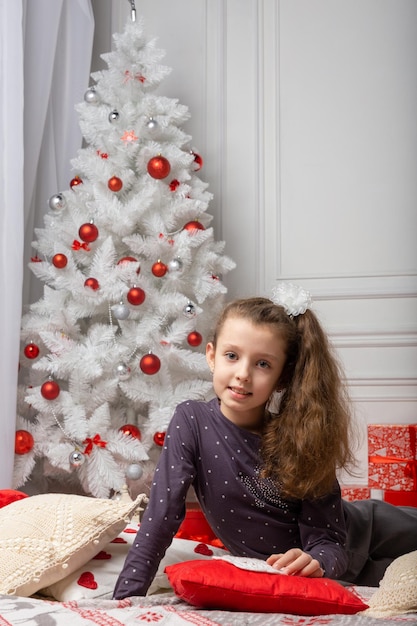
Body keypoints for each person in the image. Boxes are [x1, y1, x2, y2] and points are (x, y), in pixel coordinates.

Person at [113, 283, 417, 599]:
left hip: (364, 530)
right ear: (212, 356)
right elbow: (160, 518)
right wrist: (125, 599)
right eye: (232, 356)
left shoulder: (300, 437)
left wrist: (317, 559)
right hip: (349, 576)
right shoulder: (192, 421)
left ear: (281, 378)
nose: (243, 374)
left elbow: (329, 540)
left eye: (262, 364)